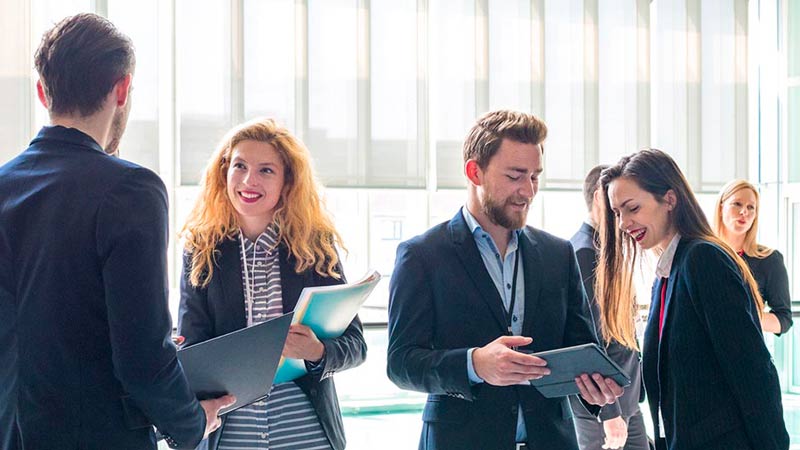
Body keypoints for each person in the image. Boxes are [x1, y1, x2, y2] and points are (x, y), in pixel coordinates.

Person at [0, 13, 233, 450]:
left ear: (42, 92)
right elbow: (142, 360)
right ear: (122, 89)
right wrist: (191, 422)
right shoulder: (130, 190)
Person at [387, 110, 623, 450]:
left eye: (535, 177)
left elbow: (582, 348)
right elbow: (401, 363)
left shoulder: (558, 254)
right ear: (475, 172)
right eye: (515, 176)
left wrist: (595, 388)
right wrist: (474, 364)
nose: (528, 191)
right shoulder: (422, 255)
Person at [178, 117, 367, 450]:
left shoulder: (314, 247)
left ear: (286, 183)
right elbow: (192, 347)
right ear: (224, 172)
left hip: (307, 435)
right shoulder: (201, 250)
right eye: (240, 166)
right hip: (230, 436)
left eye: (266, 170)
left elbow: (355, 346)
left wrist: (317, 352)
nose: (249, 180)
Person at [596, 149, 789, 450]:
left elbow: (751, 369)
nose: (622, 223)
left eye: (632, 208)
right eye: (617, 213)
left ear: (670, 200)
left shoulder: (703, 258)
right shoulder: (668, 272)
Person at [568, 166, 649, 450]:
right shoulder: (584, 253)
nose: (623, 214)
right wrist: (609, 412)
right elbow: (588, 338)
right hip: (603, 403)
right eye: (616, 204)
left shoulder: (606, 249)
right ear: (598, 199)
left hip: (625, 396)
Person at [714, 179, 793, 335]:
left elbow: (784, 320)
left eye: (751, 207)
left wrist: (747, 315)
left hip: (746, 347)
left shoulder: (769, 259)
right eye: (737, 204)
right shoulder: (700, 255)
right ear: (721, 207)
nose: (744, 212)